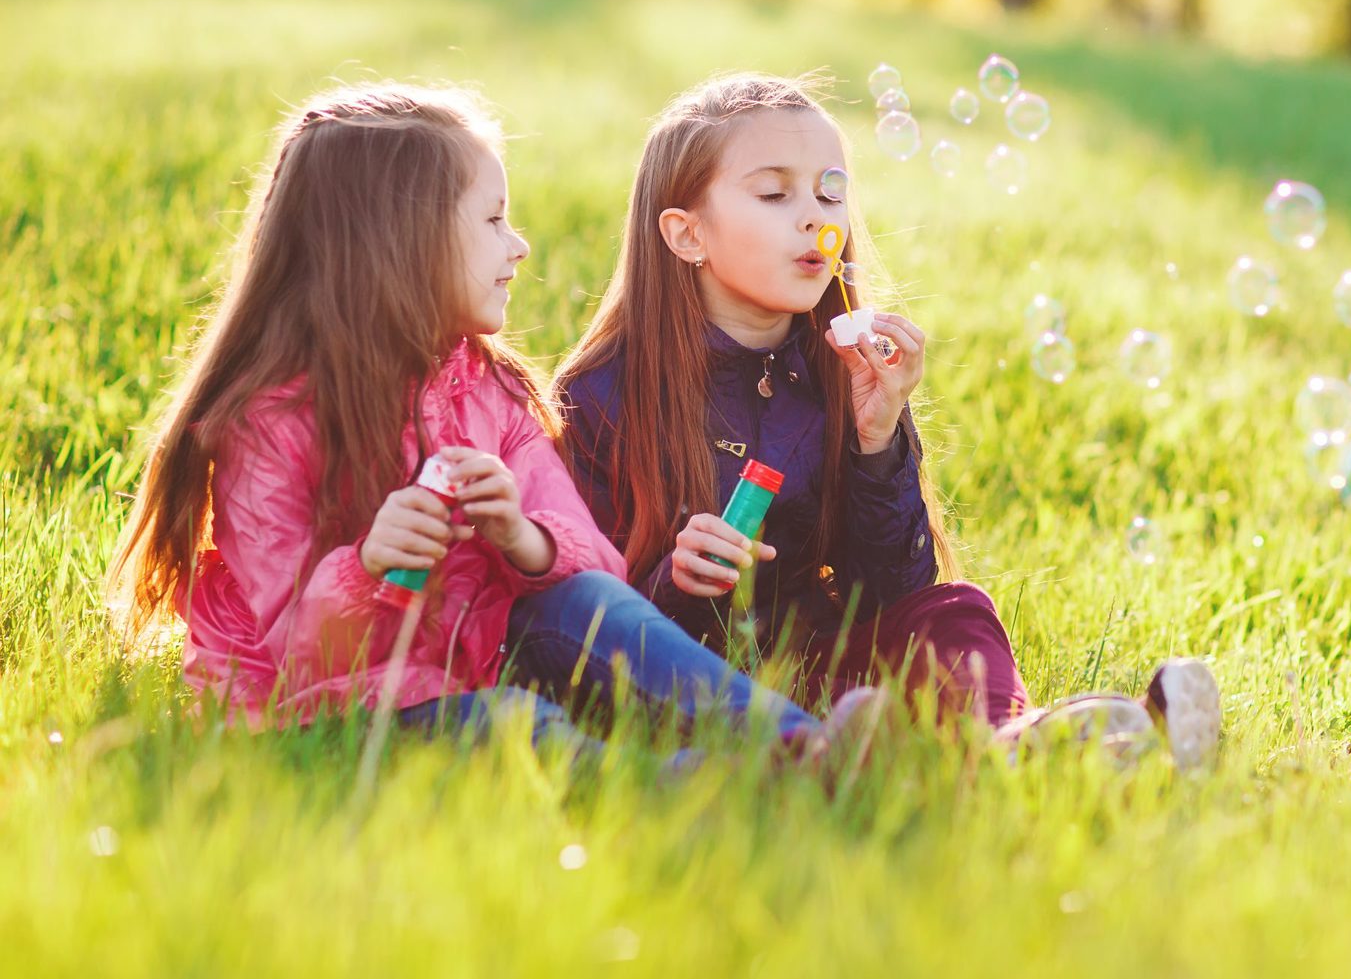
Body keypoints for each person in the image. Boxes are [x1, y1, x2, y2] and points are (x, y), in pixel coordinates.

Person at [106, 83, 876, 770]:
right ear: (394, 244)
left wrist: (521, 534)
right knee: (514, 723)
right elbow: (293, 654)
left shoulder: (491, 391)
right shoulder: (268, 426)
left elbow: (595, 566)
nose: (520, 245)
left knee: (581, 606)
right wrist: (368, 565)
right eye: (494, 220)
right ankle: (692, 784)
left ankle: (803, 746)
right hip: (327, 707)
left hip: (473, 655)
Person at [553, 72, 1221, 770]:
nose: (816, 216)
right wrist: (675, 583)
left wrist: (879, 440)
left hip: (832, 673)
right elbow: (578, 623)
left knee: (956, 610)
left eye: (830, 190)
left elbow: (894, 589)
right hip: (705, 688)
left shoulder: (837, 368)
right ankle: (1059, 748)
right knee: (854, 711)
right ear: (687, 234)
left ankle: (1011, 745)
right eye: (776, 193)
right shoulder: (603, 393)